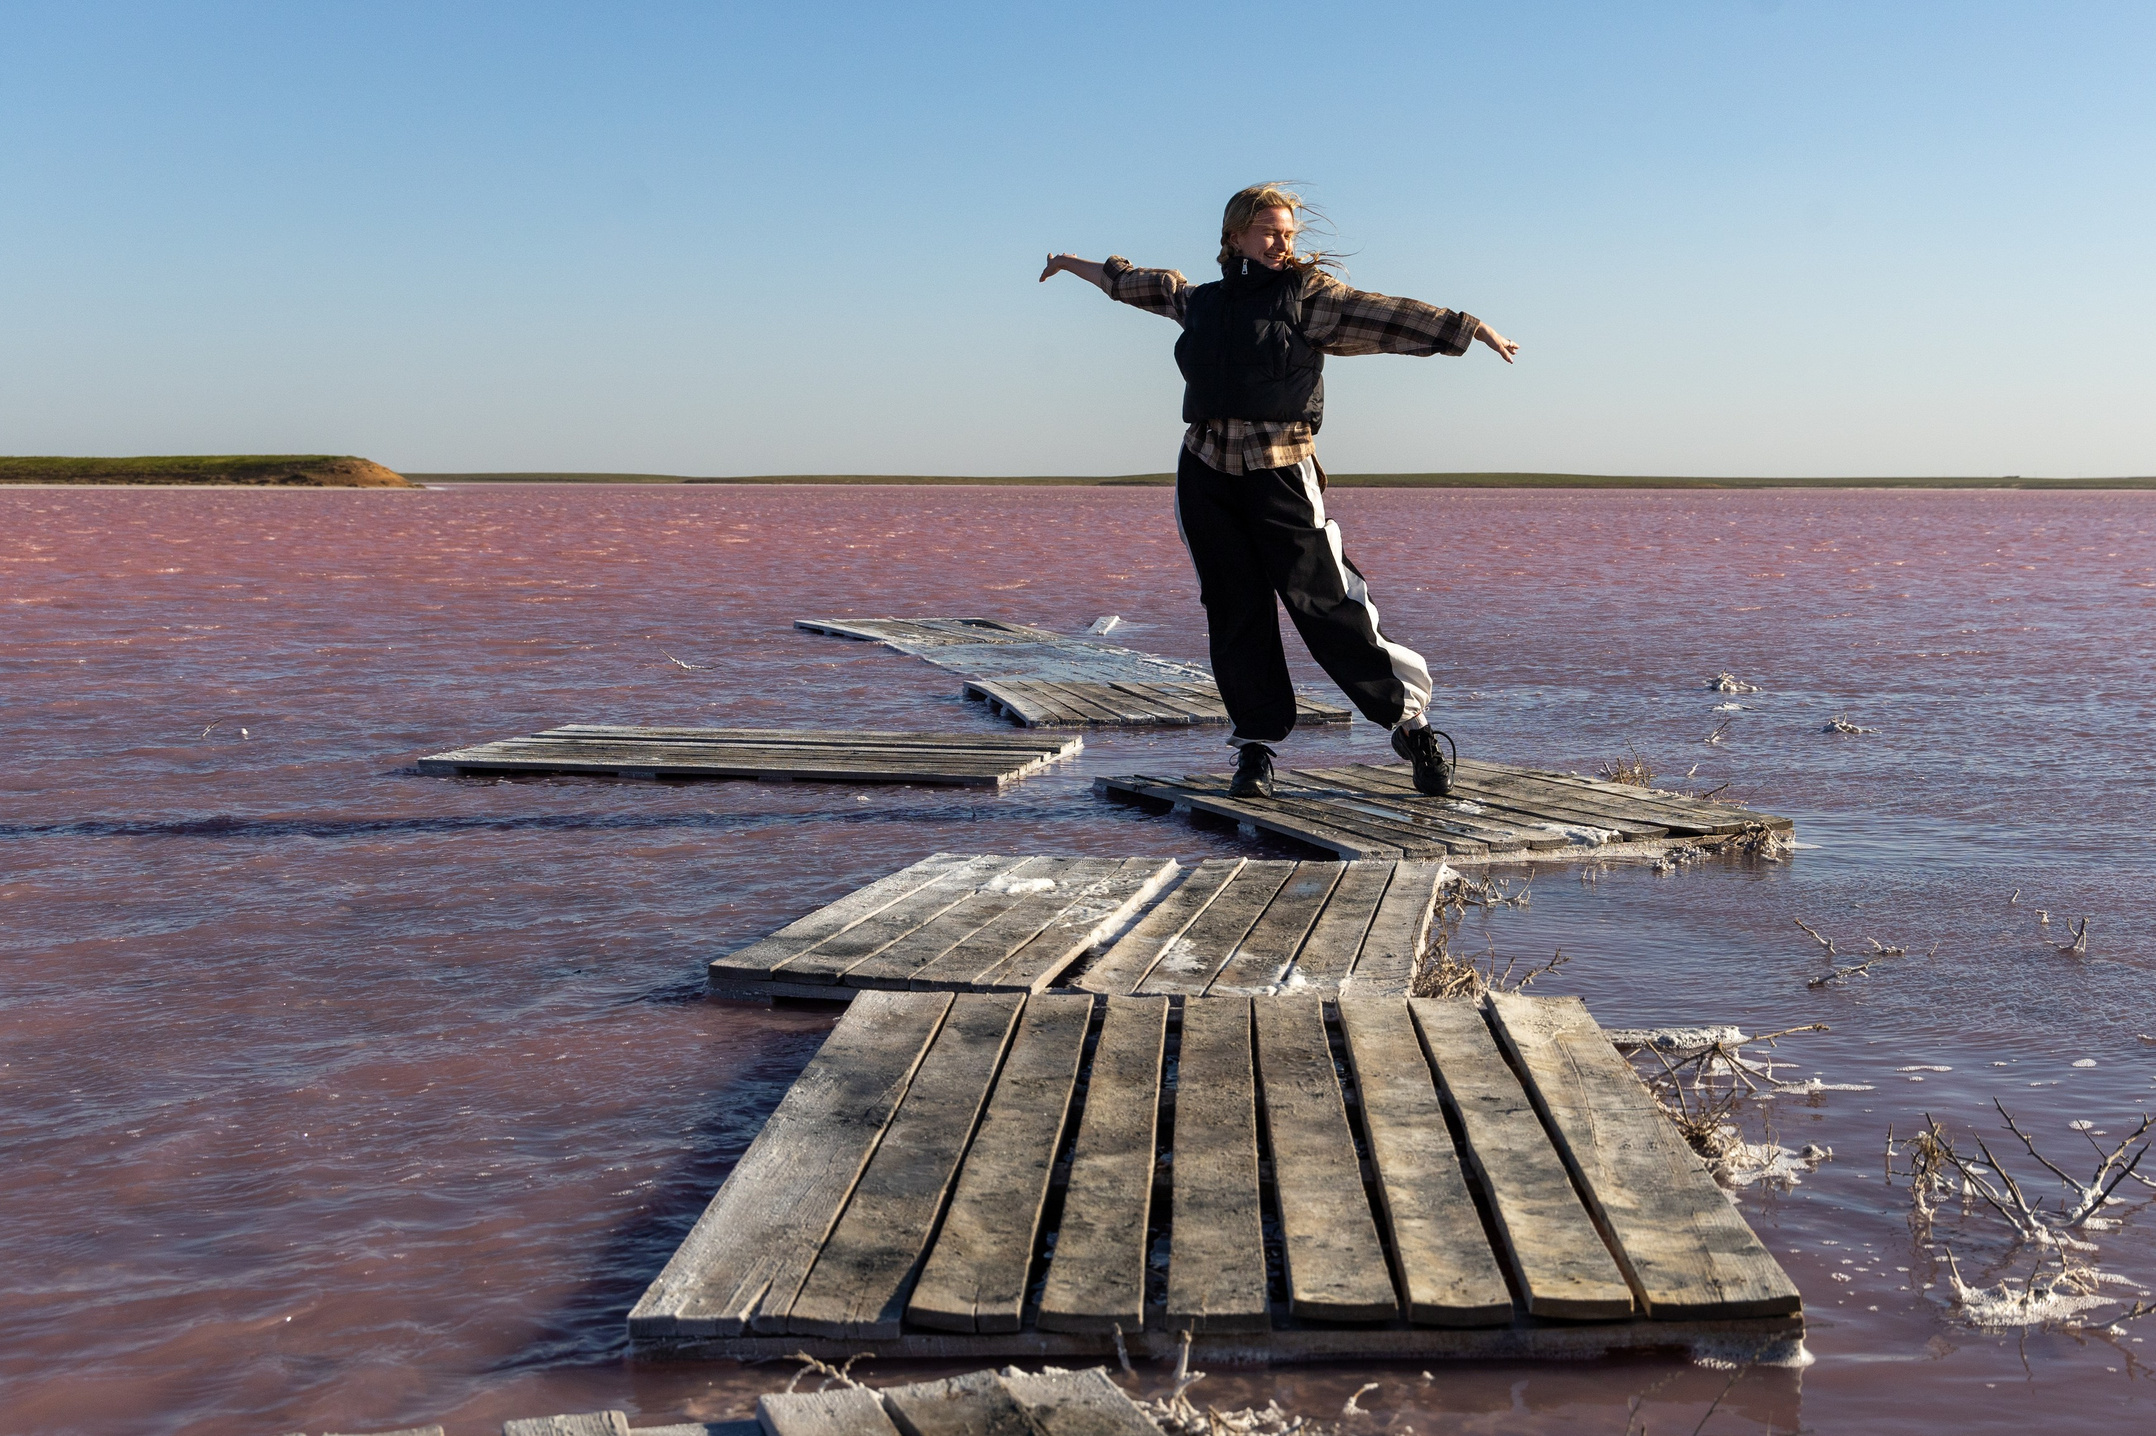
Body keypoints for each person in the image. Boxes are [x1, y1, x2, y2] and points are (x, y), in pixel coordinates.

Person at [1039, 183, 1518, 799]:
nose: (1281, 243)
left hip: (1282, 470)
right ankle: (1256, 750)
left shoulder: (1309, 299)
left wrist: (1467, 327)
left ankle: (1412, 727)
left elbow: (1383, 314)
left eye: (1288, 234)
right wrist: (1066, 263)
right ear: (1235, 236)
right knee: (1235, 610)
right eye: (1269, 231)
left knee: (1327, 603)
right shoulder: (1200, 301)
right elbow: (1128, 281)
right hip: (1207, 471)